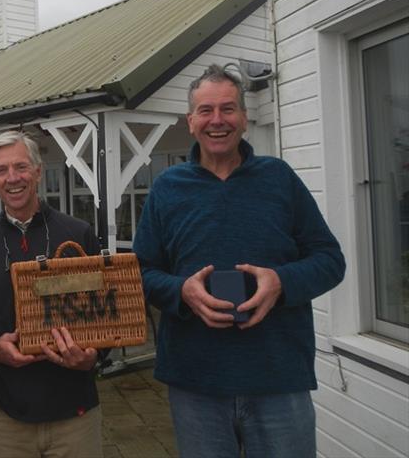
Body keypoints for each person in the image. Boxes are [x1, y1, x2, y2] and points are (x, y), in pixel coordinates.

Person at [133, 64, 345, 458]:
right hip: (196, 381)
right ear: (191, 121)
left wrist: (281, 282)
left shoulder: (279, 179)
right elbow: (140, 273)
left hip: (278, 377)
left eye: (228, 109)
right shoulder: (167, 189)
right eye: (206, 110)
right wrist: (183, 291)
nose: (218, 120)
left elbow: (330, 260)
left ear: (245, 119)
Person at [0, 131, 104, 458]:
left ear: (38, 171)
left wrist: (94, 356)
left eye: (21, 167)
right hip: (5, 416)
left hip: (74, 412)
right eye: (1, 170)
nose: (12, 178)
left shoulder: (78, 234)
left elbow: (103, 312)